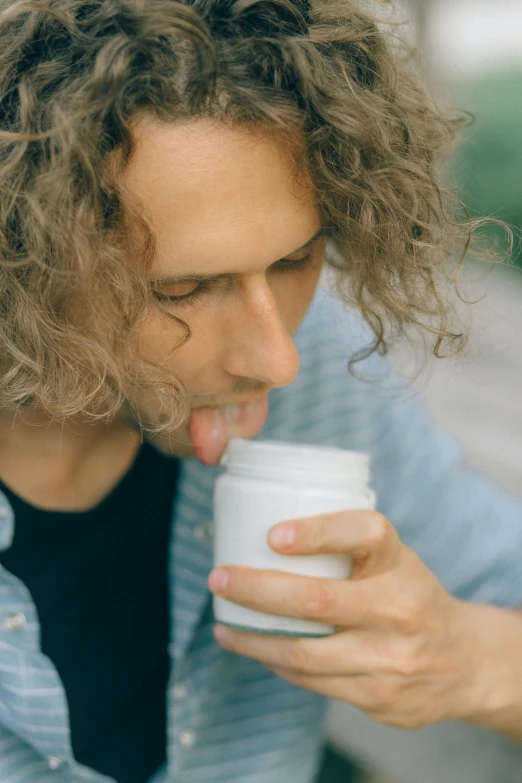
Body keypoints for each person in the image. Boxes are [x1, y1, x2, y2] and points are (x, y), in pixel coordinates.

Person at [0, 1, 520, 782]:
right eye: (182, 288)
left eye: (295, 261)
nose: (277, 357)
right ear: (23, 263)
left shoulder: (322, 370)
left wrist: (474, 661)